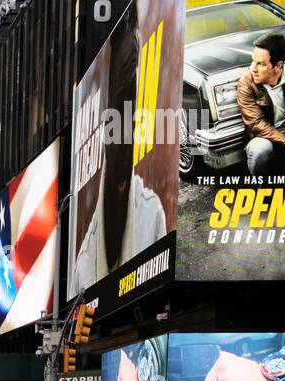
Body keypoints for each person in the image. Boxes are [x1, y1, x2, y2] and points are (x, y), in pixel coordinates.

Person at [71, 8, 167, 295]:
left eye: (133, 113)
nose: (125, 135)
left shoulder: (152, 215)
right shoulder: (83, 263)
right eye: (117, 120)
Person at [237, 32, 285, 176]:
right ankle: (262, 190)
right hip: (264, 137)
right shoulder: (247, 82)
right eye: (252, 61)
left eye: (260, 64)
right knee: (259, 150)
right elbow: (255, 124)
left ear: (278, 66)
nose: (253, 68)